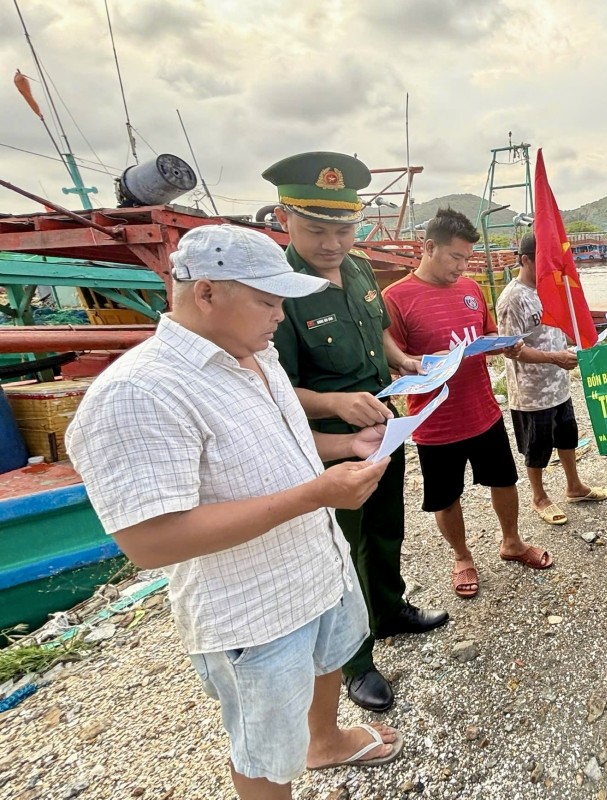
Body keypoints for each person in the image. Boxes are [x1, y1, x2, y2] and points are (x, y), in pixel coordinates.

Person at [65, 225, 403, 800]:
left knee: (329, 657)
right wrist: (315, 495)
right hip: (251, 607)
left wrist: (347, 447)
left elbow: (283, 438)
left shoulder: (257, 354)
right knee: (264, 749)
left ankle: (324, 741)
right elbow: (149, 542)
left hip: (317, 563)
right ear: (207, 293)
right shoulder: (138, 392)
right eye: (267, 301)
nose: (280, 315)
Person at [265, 152, 448, 714]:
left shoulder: (362, 268)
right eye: (317, 230)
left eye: (344, 229)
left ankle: (390, 609)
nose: (332, 243)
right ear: (284, 218)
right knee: (342, 549)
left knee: (386, 527)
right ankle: (355, 659)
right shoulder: (278, 290)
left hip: (386, 426)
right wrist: (334, 402)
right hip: (328, 445)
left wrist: (407, 361)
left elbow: (379, 334)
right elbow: (272, 388)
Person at [383, 208, 554, 599]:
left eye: (466, 258)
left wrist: (506, 346)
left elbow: (489, 333)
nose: (462, 266)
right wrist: (419, 365)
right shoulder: (396, 299)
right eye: (455, 258)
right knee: (445, 496)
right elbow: (394, 361)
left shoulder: (472, 289)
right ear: (429, 248)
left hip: (483, 411)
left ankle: (511, 541)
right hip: (434, 422)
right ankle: (462, 556)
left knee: (505, 481)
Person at [496, 232, 607, 525]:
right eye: (545, 264)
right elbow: (512, 351)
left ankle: (574, 486)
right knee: (537, 448)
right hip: (532, 393)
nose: (551, 271)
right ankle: (539, 497)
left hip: (559, 384)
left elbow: (562, 327)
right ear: (525, 260)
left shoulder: (551, 289)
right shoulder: (513, 298)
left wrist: (579, 343)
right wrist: (554, 358)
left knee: (567, 436)